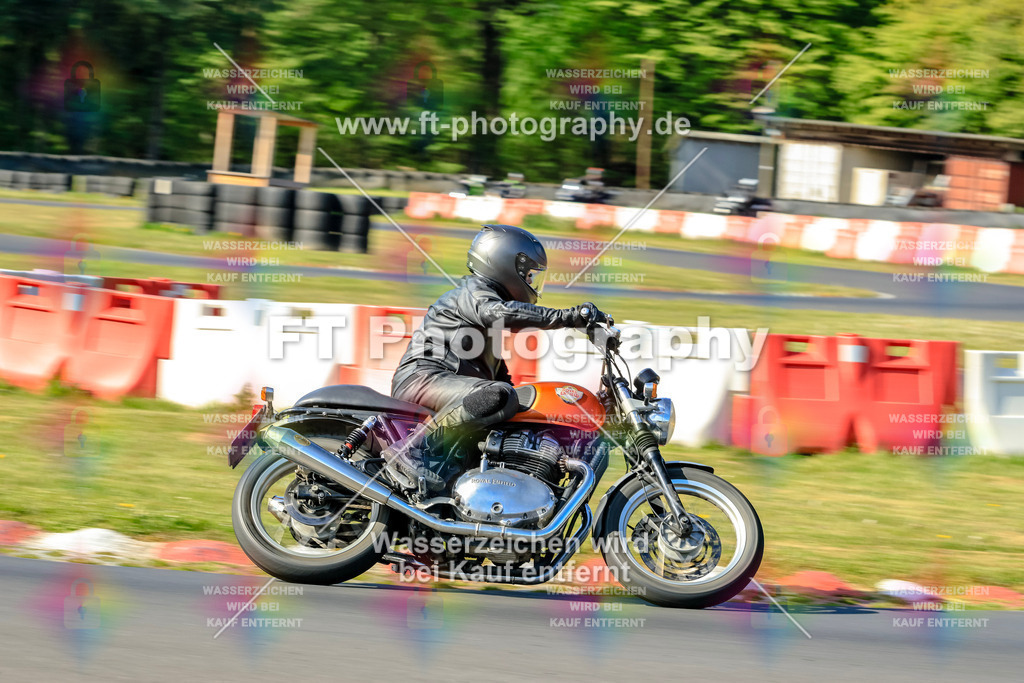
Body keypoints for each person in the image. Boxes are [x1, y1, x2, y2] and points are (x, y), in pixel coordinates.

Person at [385, 224, 608, 492]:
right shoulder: (474, 293)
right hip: (424, 378)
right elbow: (499, 313)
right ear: (504, 263)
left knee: (513, 405)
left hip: (450, 386)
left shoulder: (487, 314)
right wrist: (569, 317)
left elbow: (499, 376)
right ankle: (410, 450)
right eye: (527, 274)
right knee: (499, 395)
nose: (531, 281)